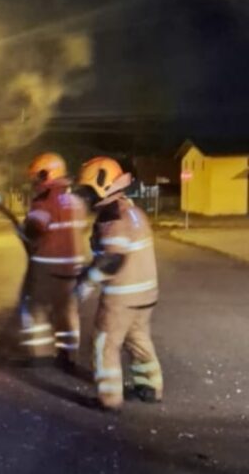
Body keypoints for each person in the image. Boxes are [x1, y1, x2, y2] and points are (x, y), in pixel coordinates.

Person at [75, 156, 163, 411]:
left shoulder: (111, 218)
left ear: (103, 185)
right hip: (146, 294)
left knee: (105, 343)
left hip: (122, 297)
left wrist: (84, 286)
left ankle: (109, 399)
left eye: (88, 191)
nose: (86, 197)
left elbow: (112, 260)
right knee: (138, 339)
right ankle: (150, 386)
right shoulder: (132, 211)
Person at [17, 152, 88, 368]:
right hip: (72, 271)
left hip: (46, 271)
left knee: (33, 308)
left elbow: (34, 231)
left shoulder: (44, 203)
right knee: (66, 313)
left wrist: (21, 230)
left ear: (46, 175)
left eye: (37, 177)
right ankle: (68, 356)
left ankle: (40, 354)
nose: (34, 182)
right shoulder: (77, 203)